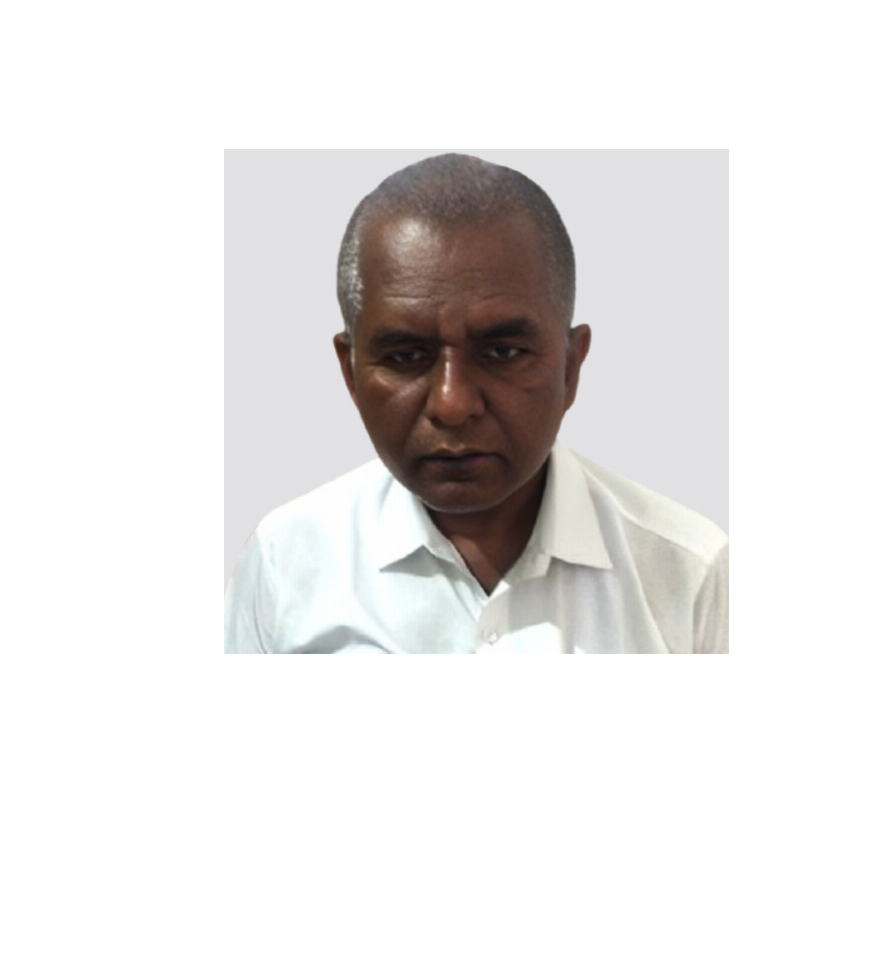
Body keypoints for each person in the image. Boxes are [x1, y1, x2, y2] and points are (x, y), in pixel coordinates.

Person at [224, 154, 728, 655]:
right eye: (406, 356)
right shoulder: (286, 564)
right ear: (350, 372)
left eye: (503, 352)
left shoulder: (691, 574)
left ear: (570, 368)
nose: (453, 404)